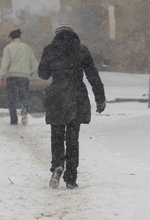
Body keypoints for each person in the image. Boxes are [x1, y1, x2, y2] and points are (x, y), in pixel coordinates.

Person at [38, 25, 106, 189]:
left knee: (57, 136)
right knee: (72, 139)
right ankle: (71, 177)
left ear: (57, 35)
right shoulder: (81, 50)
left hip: (57, 98)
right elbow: (92, 75)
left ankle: (57, 166)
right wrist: (100, 98)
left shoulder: (50, 50)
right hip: (76, 97)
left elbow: (43, 74)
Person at [0, 29, 39, 125]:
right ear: (19, 37)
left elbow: (5, 63)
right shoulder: (27, 48)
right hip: (24, 76)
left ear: (11, 37)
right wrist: (28, 72)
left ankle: (14, 120)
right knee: (24, 95)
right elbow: (35, 64)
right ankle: (24, 108)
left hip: (11, 76)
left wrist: (2, 76)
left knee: (11, 98)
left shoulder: (8, 48)